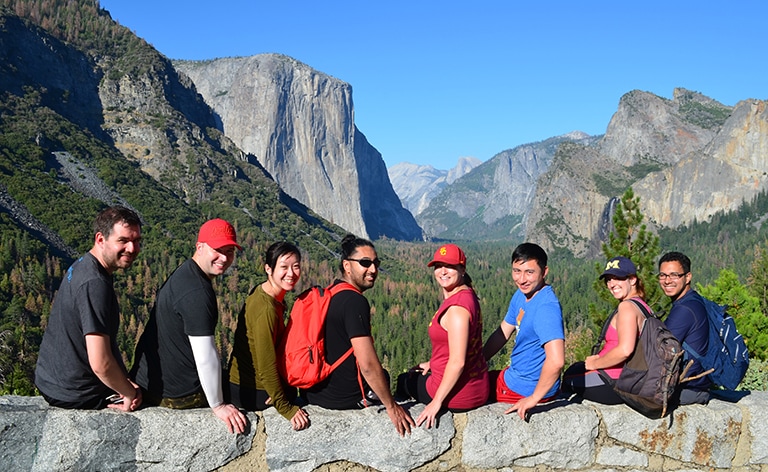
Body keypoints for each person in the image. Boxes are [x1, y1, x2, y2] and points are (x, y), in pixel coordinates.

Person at [131, 218, 247, 434]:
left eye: (229, 251)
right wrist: (219, 406)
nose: (224, 258)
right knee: (249, 392)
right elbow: (205, 356)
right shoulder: (197, 293)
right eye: (218, 250)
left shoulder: (185, 273)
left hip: (154, 381)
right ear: (200, 247)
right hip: (178, 394)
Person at [301, 234, 414, 436]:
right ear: (347, 266)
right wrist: (391, 406)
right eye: (365, 263)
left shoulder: (331, 292)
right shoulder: (354, 302)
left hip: (314, 393)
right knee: (387, 380)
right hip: (343, 398)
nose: (373, 269)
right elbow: (368, 365)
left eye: (376, 263)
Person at [35, 206, 143, 411]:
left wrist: (123, 380)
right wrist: (128, 392)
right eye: (123, 240)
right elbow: (100, 363)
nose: (132, 248)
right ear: (100, 239)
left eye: (137, 241)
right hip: (75, 392)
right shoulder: (94, 284)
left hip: (53, 380)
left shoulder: (84, 264)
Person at [395, 244, 489, 428]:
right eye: (438, 266)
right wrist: (434, 363)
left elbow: (457, 362)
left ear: (462, 269)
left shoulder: (457, 309)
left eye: (450, 266)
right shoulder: (468, 295)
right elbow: (461, 346)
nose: (443, 271)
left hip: (460, 395)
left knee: (404, 381)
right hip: (476, 386)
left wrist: (436, 401)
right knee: (416, 373)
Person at [228, 242, 310, 430]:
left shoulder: (264, 292)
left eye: (295, 266)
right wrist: (286, 407)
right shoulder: (266, 309)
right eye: (284, 267)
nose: (291, 273)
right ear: (268, 269)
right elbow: (266, 364)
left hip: (246, 383)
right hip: (252, 390)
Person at [483, 242, 565, 420]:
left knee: (465, 389)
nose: (521, 279)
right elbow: (502, 332)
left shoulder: (546, 307)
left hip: (526, 388)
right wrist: (479, 359)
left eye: (529, 272)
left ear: (544, 272)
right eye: (516, 271)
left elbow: (557, 361)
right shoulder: (522, 294)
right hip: (518, 377)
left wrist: (534, 398)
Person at [562, 256, 649, 404]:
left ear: (632, 279)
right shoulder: (643, 306)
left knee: (566, 380)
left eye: (618, 278)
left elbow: (625, 350)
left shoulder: (626, 307)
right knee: (576, 368)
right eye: (608, 279)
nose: (612, 284)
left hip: (613, 381)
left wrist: (595, 364)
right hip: (626, 378)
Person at [658, 251, 711, 405]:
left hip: (689, 389)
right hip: (696, 386)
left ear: (688, 277)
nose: (667, 281)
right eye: (663, 275)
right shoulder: (692, 300)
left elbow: (659, 350)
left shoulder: (685, 309)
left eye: (674, 275)